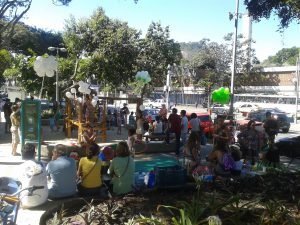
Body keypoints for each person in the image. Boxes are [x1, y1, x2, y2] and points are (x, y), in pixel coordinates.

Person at [18, 143, 48, 208]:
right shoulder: (43, 164)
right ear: (34, 154)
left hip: (26, 201)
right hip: (42, 199)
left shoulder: (20, 167)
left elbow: (18, 182)